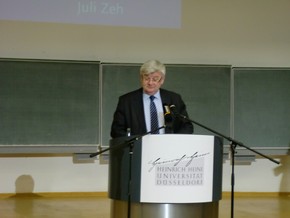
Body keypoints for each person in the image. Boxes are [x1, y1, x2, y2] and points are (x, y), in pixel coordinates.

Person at [110, 60, 193, 138]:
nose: (150, 82)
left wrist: (173, 142)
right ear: (141, 79)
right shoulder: (126, 101)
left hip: (169, 149)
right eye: (146, 78)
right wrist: (134, 143)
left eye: (155, 79)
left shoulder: (174, 99)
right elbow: (116, 131)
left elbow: (187, 126)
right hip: (139, 150)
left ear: (162, 80)